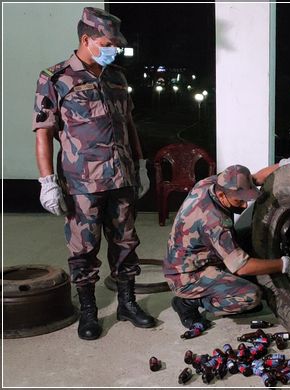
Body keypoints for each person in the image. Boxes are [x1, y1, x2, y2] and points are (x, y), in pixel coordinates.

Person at [32, 7, 155, 340]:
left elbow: (128, 125)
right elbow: (43, 132)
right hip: (81, 183)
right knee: (84, 249)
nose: (113, 48)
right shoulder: (55, 78)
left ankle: (127, 304)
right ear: (86, 39)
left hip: (122, 177)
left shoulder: (116, 77)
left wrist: (140, 164)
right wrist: (47, 182)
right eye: (107, 41)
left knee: (126, 242)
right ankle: (88, 310)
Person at [164, 161, 290, 328]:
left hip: (205, 254)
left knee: (256, 237)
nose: (244, 204)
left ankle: (225, 281)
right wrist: (284, 265)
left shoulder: (213, 183)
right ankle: (188, 302)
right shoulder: (214, 222)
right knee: (250, 296)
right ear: (221, 196)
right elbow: (243, 267)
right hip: (187, 275)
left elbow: (257, 177)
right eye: (238, 201)